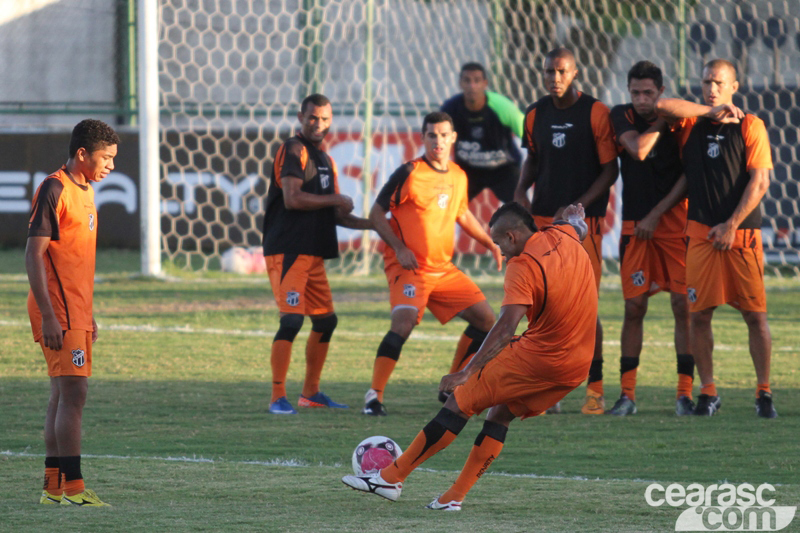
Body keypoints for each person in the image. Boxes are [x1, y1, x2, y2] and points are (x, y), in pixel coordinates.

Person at [342, 202, 597, 509]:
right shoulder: (564, 234)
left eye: (499, 241)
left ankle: (391, 477)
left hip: (540, 356)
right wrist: (574, 217)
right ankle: (453, 498)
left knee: (459, 401)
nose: (499, 250)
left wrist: (466, 372)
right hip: (578, 365)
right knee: (501, 413)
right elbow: (576, 226)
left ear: (513, 236)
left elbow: (505, 328)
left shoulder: (523, 266)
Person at [656, 59, 776, 418]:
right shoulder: (692, 123)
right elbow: (662, 106)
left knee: (755, 316)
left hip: (741, 237)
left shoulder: (751, 126)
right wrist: (710, 110)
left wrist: (731, 224)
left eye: (719, 83)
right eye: (707, 81)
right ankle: (708, 391)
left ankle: (764, 393)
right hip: (700, 236)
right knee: (699, 315)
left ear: (734, 86)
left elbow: (760, 183)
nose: (712, 88)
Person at [362, 111, 502, 416]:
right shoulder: (409, 173)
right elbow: (375, 214)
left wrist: (490, 242)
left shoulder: (458, 175)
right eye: (431, 135)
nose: (437, 141)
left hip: (443, 269)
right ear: (422, 138)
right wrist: (399, 248)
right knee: (404, 322)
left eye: (443, 135)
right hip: (409, 267)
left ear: (453, 138)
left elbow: (462, 214)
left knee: (487, 322)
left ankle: (450, 386)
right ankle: (374, 395)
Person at [513, 47, 618, 414]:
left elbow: (610, 171)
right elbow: (533, 159)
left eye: (561, 72)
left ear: (575, 73)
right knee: (540, 307)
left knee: (585, 307)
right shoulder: (534, 114)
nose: (554, 78)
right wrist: (519, 192)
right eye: (548, 72)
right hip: (541, 222)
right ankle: (544, 393)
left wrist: (576, 207)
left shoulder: (596, 112)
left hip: (581, 226)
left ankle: (596, 390)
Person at [27, 119, 119, 507]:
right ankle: (75, 489)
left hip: (75, 309)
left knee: (61, 394)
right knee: (74, 393)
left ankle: (53, 487)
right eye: (106, 158)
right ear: (82, 154)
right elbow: (34, 254)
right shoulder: (54, 188)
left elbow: (74, 261)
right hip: (57, 311)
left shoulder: (86, 192)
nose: (111, 166)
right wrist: (50, 316)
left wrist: (87, 311)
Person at [262, 93, 371, 415]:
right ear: (300, 117)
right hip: (289, 249)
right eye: (313, 118)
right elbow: (293, 199)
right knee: (292, 319)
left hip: (313, 253)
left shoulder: (326, 159)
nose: (318, 124)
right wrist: (337, 197)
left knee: (326, 321)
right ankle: (277, 396)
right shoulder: (293, 150)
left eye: (325, 119)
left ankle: (311, 393)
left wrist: (378, 226)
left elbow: (337, 215)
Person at [606, 61, 694, 416]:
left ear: (661, 91)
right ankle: (627, 395)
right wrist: (661, 120)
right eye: (636, 92)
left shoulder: (683, 120)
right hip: (634, 227)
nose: (641, 99)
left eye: (648, 93)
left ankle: (684, 395)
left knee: (682, 306)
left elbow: (689, 175)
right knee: (633, 307)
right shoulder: (621, 116)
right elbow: (638, 150)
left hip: (675, 227)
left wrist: (658, 214)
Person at [440, 62, 525, 203]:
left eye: (477, 80)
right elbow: (438, 140)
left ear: (485, 83)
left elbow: (530, 135)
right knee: (447, 206)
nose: (472, 86)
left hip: (504, 169)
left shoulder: (503, 107)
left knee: (520, 211)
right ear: (460, 83)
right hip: (468, 170)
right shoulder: (450, 109)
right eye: (467, 80)